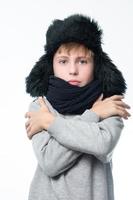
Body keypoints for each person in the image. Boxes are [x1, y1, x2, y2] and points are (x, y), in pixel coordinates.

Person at [25, 14, 130, 200]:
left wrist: (50, 123)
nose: (73, 70)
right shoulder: (40, 107)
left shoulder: (109, 104)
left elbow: (102, 145)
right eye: (63, 61)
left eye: (82, 61)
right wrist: (94, 115)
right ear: (52, 65)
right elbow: (50, 162)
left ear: (95, 64)